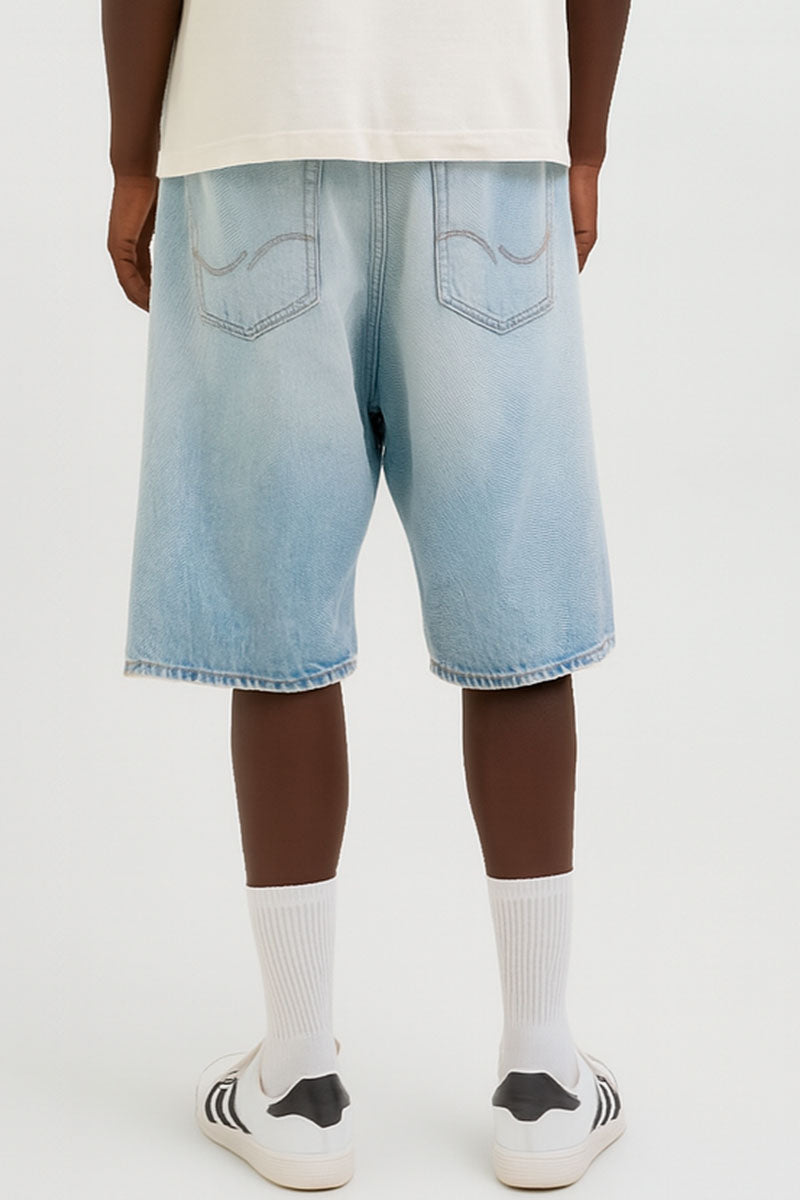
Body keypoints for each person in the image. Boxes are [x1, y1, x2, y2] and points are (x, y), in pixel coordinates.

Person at [102, 1, 631, 1190]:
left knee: (279, 625)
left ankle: (297, 1081)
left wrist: (132, 158)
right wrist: (584, 141)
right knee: (513, 614)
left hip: (254, 130)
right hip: (487, 134)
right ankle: (541, 1075)